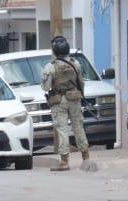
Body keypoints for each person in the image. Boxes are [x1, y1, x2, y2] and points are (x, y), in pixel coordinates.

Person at [41, 36, 97, 172]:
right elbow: (81, 82)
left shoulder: (51, 66)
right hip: (74, 98)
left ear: (54, 51)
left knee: (62, 130)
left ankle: (64, 162)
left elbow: (45, 87)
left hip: (58, 100)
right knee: (78, 127)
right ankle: (86, 157)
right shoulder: (75, 63)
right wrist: (80, 94)